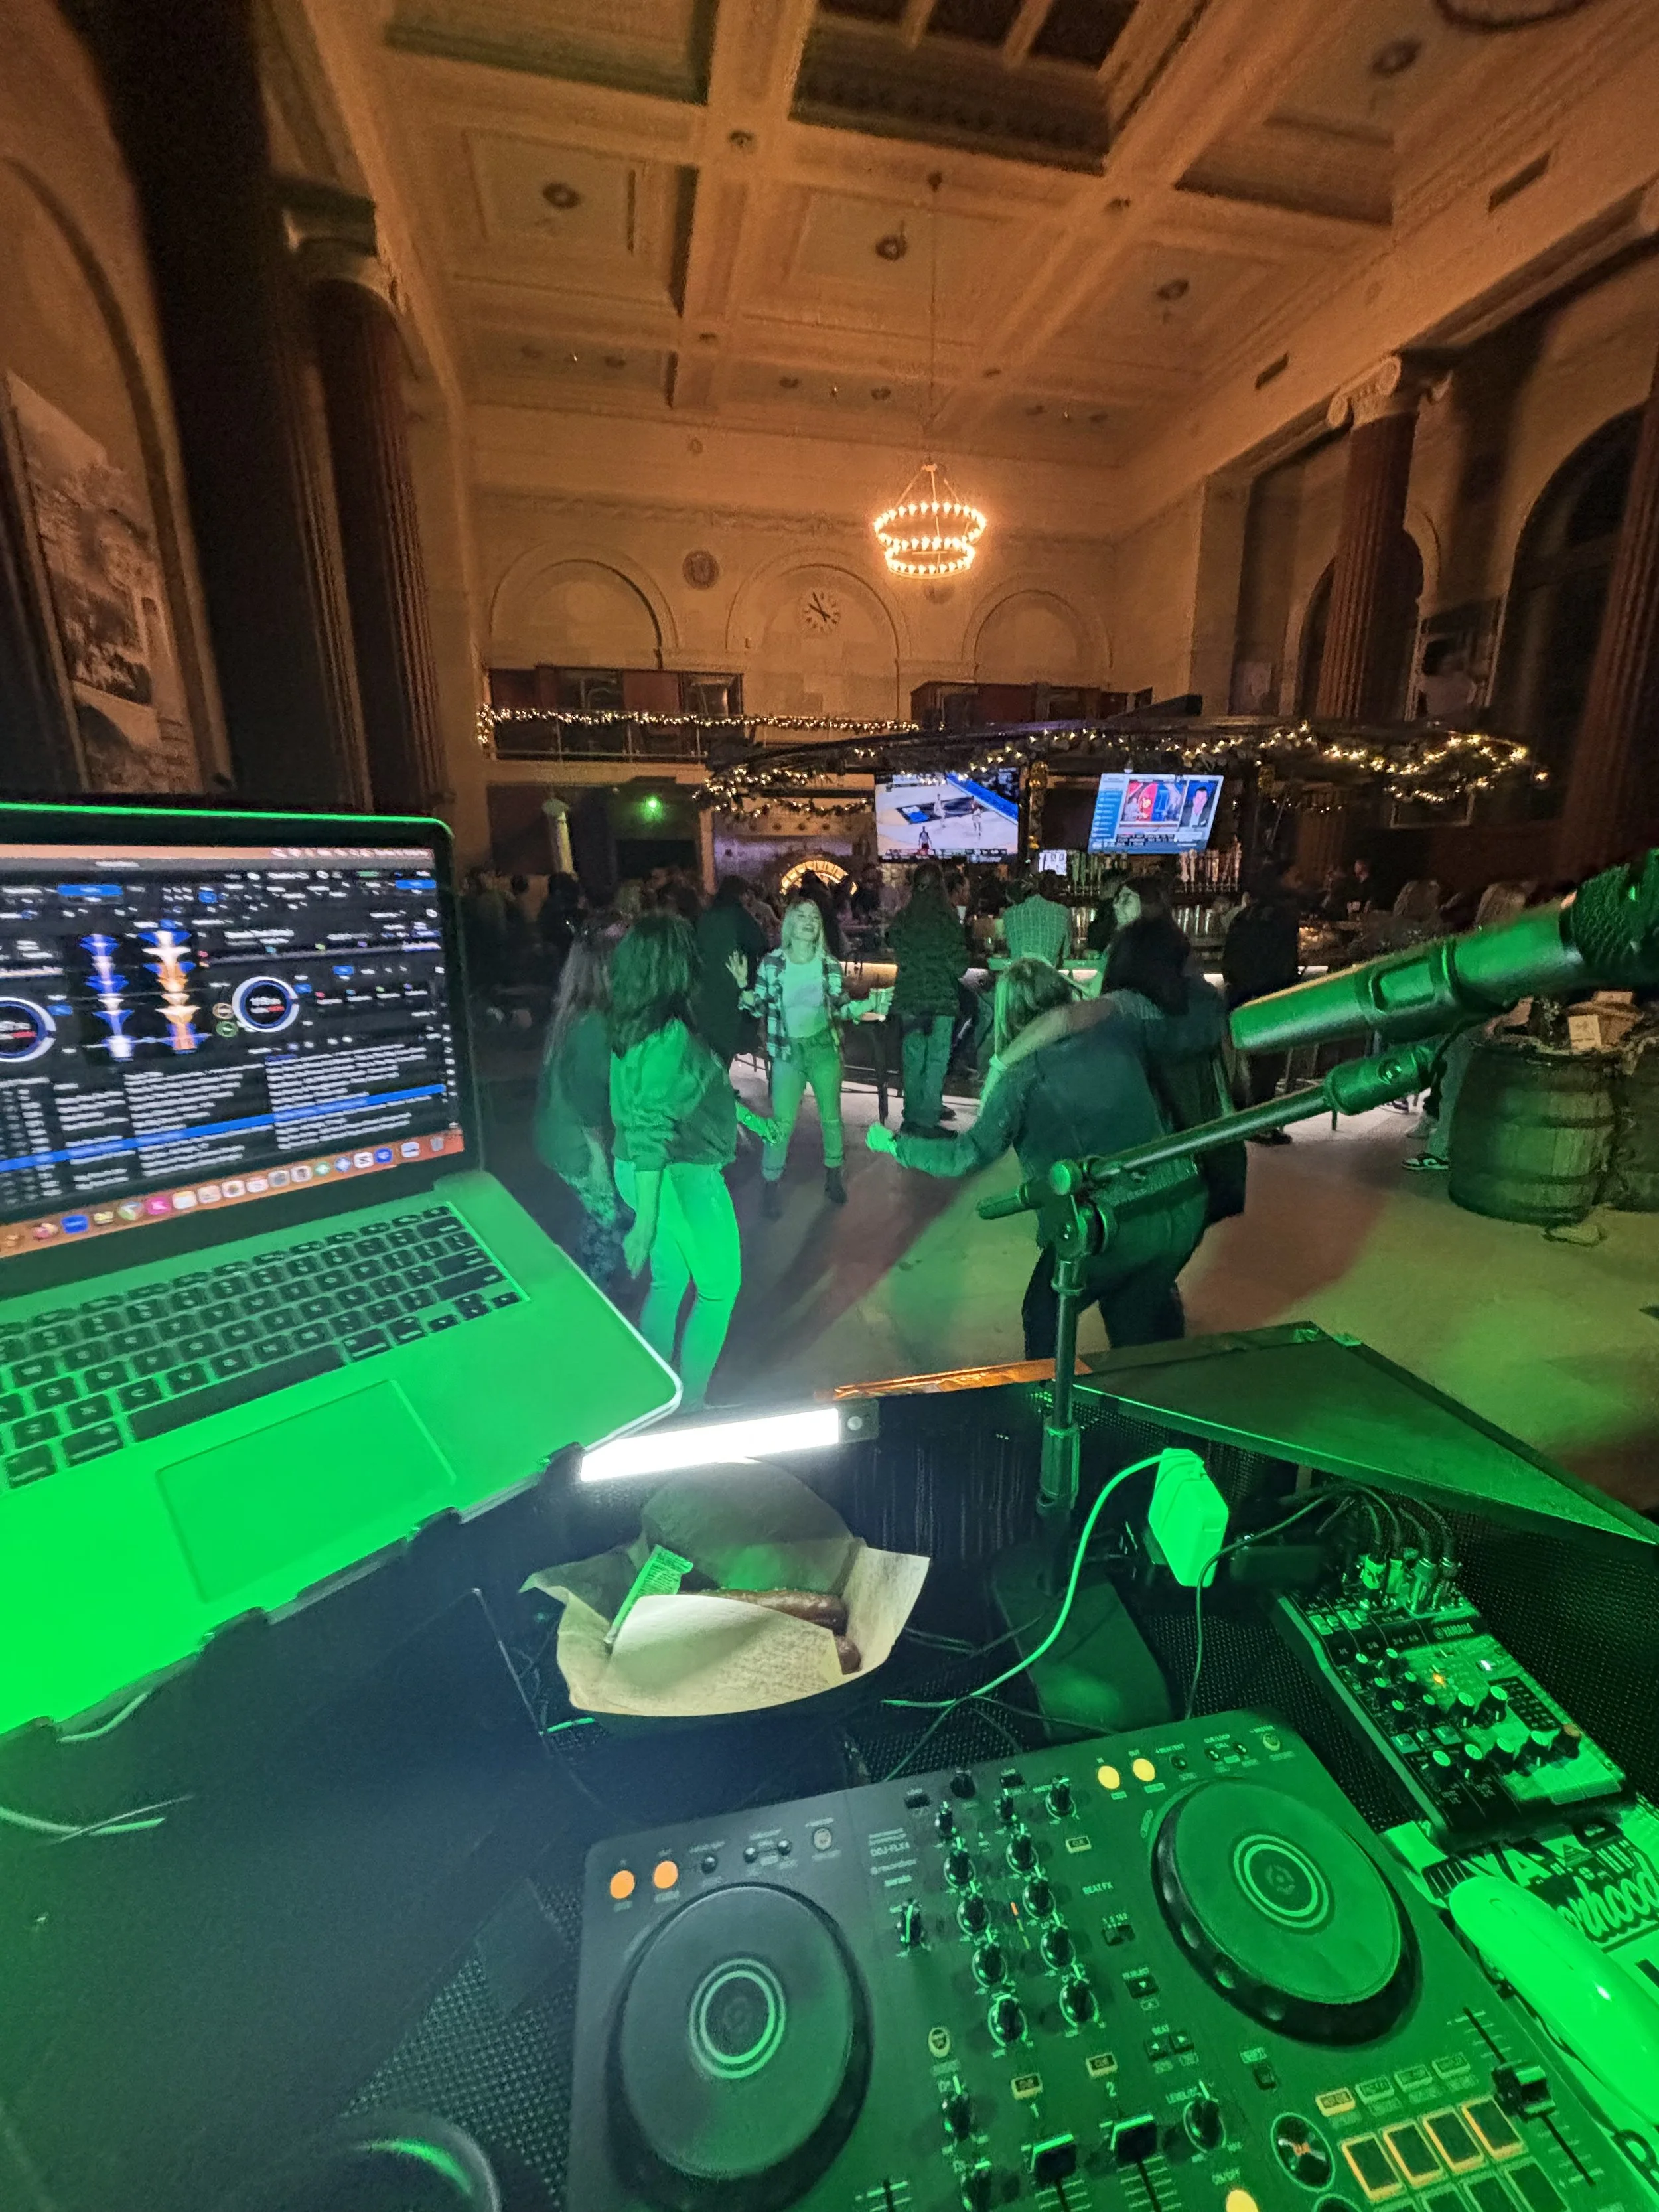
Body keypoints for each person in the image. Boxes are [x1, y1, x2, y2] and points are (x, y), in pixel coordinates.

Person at [867, 956, 1215, 1357]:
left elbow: (965, 1155)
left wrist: (895, 1145)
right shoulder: (1118, 1030)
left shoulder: (1020, 1076)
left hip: (1111, 1221)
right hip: (1181, 1198)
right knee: (1137, 1312)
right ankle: (1163, 1397)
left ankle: (1049, 1405)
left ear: (1008, 1014)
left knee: (1044, 1311)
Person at [608, 912, 775, 1410]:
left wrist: (750, 1118)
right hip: (675, 1176)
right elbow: (655, 1127)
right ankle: (691, 1408)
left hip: (640, 1170)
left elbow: (686, 1092)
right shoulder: (670, 1034)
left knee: (670, 1280)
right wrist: (646, 1221)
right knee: (720, 1289)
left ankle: (656, 1399)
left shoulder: (633, 1021)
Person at [735, 893, 877, 1214]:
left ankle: (834, 1175)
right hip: (788, 1052)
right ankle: (770, 1183)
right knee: (781, 1122)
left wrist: (867, 1006)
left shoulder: (827, 964)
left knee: (831, 1118)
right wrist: (744, 987)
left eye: (814, 917)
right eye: (802, 916)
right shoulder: (773, 963)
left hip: (823, 1048)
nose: (810, 922)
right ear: (789, 923)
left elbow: (841, 1007)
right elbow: (756, 1005)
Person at [533, 919, 626, 1288]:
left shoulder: (579, 1012)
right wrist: (600, 1167)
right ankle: (596, 1297)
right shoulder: (594, 1026)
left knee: (602, 1218)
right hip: (577, 1144)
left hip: (558, 1133)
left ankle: (597, 1282)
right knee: (610, 1220)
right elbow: (588, 1111)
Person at [887, 861, 970, 1137]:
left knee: (913, 1060)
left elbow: (899, 952)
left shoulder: (902, 919)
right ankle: (928, 1119)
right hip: (941, 1001)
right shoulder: (948, 921)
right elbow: (958, 967)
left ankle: (911, 1116)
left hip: (909, 999)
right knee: (936, 1061)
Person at [1222, 867, 1302, 1143]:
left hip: (1240, 996)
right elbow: (1287, 962)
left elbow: (1229, 959)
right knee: (1268, 1067)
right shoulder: (1285, 919)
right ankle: (1263, 1123)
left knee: (1244, 1063)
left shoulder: (1243, 917)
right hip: (1273, 998)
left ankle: (1245, 1120)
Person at [694, 875, 767, 1065]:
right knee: (731, 1031)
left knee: (713, 1036)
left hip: (706, 983)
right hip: (734, 980)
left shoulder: (706, 915)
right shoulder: (738, 915)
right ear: (740, 894)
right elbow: (760, 943)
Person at [999, 871, 1072, 968]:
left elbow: (1007, 947)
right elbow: (1066, 954)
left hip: (1018, 978)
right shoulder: (1064, 913)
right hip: (1048, 978)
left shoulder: (1009, 914)